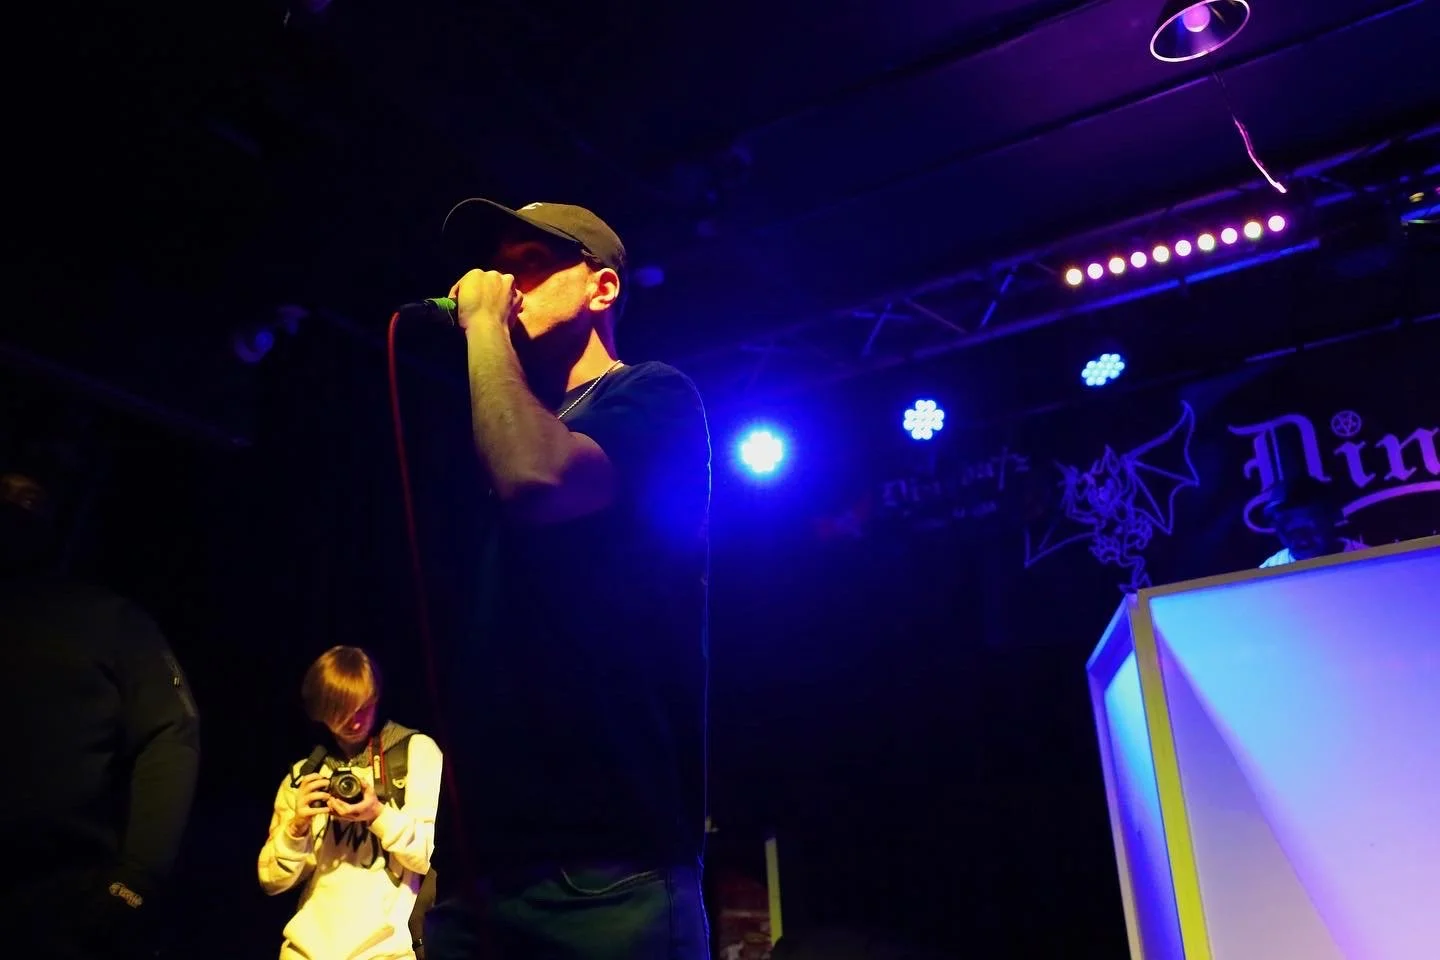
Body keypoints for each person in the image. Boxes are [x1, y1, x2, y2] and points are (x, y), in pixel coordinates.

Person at [423, 199, 712, 960]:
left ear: (603, 290)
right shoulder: (491, 432)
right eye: (496, 266)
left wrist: (484, 327)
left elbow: (539, 477)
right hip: (479, 875)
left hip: (607, 870)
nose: (500, 282)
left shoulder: (653, 396)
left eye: (528, 265)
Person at [2, 466, 201, 959]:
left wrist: (136, 879)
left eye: (27, 500)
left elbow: (173, 732)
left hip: (63, 903)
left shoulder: (110, 622)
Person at [258, 646, 443, 960]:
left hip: (388, 952)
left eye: (363, 707)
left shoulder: (415, 752)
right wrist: (296, 827)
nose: (354, 720)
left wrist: (376, 814)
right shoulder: (306, 775)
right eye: (339, 709)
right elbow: (271, 882)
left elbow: (428, 857)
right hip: (306, 951)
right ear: (318, 710)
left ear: (376, 696)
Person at [1258, 475, 1365, 568]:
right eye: (1289, 532)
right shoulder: (1266, 574)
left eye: (1307, 528)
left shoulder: (1371, 562)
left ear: (1332, 517)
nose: (1301, 539)